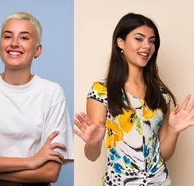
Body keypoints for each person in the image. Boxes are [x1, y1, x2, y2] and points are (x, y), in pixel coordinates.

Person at [74, 13, 194, 186]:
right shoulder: (101, 91)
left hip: (160, 182)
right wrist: (92, 143)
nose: (147, 46)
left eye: (152, 41)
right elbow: (92, 155)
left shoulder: (162, 94)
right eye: (139, 39)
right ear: (120, 42)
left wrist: (174, 131)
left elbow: (163, 154)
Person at [0, 12, 73, 186]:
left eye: (24, 37)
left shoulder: (52, 92)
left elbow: (49, 172)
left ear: (37, 50)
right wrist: (31, 161)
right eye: (7, 36)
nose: (14, 43)